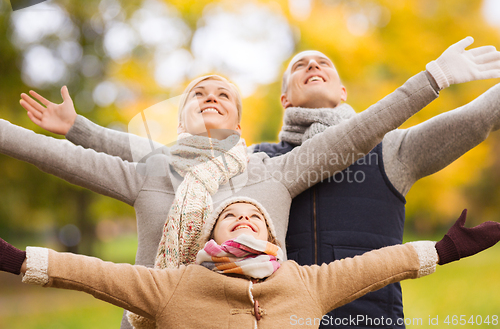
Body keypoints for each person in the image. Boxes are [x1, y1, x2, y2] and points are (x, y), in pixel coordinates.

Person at [17, 37, 500, 328]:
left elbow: (374, 130)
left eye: (324, 63)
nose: (313, 66)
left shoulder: (366, 152)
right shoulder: (235, 166)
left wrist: (434, 77)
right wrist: (80, 130)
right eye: (299, 65)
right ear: (284, 100)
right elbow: (147, 160)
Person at [1, 196, 500, 328]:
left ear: (270, 235)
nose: (242, 219)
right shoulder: (172, 286)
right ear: (211, 235)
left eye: (252, 217)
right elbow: (91, 272)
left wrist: (446, 249)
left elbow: (377, 265)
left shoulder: (305, 282)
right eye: (230, 217)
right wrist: (17, 260)